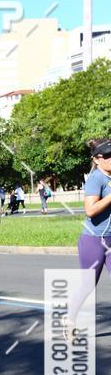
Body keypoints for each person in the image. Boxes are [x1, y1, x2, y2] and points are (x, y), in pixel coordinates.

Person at [65, 138, 111, 336]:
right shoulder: (95, 179)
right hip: (94, 240)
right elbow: (90, 210)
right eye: (107, 156)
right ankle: (69, 320)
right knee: (88, 284)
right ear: (96, 159)